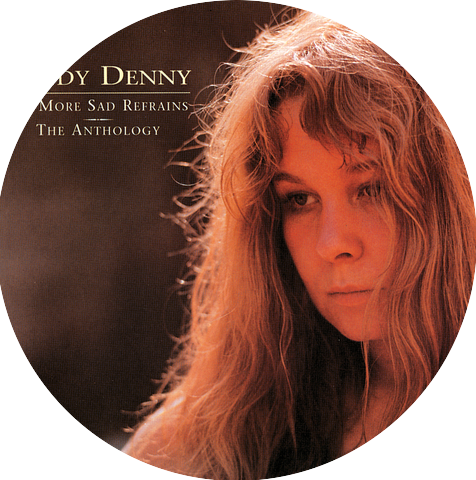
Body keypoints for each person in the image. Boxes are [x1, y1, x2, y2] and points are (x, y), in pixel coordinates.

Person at [88, 0, 476, 478]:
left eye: (372, 188)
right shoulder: (236, 426)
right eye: (300, 199)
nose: (331, 243)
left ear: (462, 188)